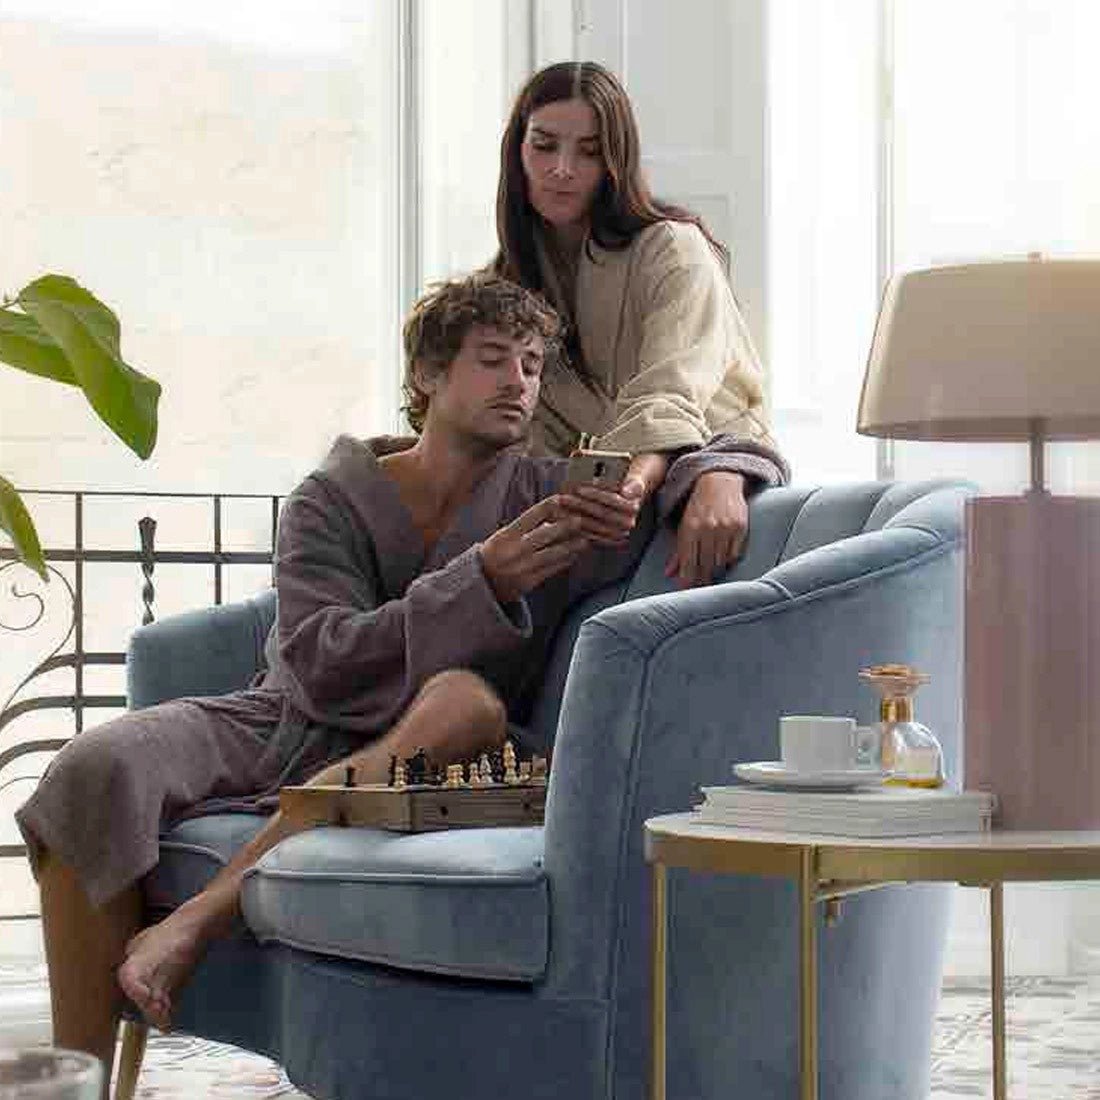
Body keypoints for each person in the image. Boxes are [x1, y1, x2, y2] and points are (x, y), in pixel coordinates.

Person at [15, 273, 778, 1096]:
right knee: (94, 768)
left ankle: (203, 915)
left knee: (464, 699)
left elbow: (705, 447)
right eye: (493, 359)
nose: (519, 381)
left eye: (531, 365)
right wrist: (482, 578)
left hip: (442, 741)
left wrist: (721, 473)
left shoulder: (550, 500)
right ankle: (76, 1085)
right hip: (285, 718)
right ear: (426, 375)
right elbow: (319, 661)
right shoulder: (331, 500)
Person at [492, 60, 789, 587]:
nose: (562, 169)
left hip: (693, 468)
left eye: (589, 151)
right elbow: (516, 434)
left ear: (616, 160)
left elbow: (669, 390)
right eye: (544, 145)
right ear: (517, 148)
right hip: (593, 506)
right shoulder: (505, 288)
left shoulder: (672, 249)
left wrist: (634, 484)